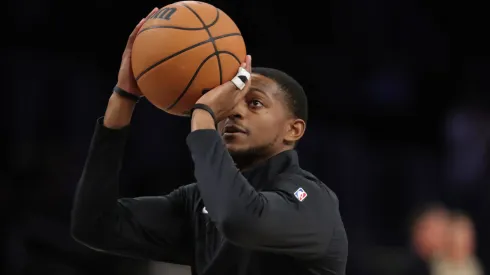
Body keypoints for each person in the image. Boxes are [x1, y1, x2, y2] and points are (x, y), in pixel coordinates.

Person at [70, 8, 348, 275]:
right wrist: (124, 97)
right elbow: (94, 226)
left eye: (254, 103)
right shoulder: (197, 201)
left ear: (293, 130)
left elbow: (239, 220)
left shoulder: (311, 200)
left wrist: (202, 117)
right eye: (229, 103)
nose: (234, 111)